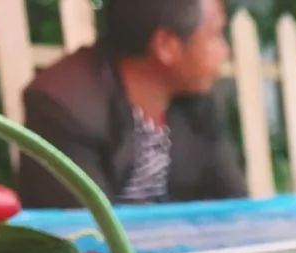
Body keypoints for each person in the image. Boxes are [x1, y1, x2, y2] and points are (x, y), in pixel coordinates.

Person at [18, 0, 246, 207]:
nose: (225, 51)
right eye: (215, 34)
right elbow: (84, 229)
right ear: (165, 46)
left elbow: (234, 206)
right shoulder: (63, 105)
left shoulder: (197, 102)